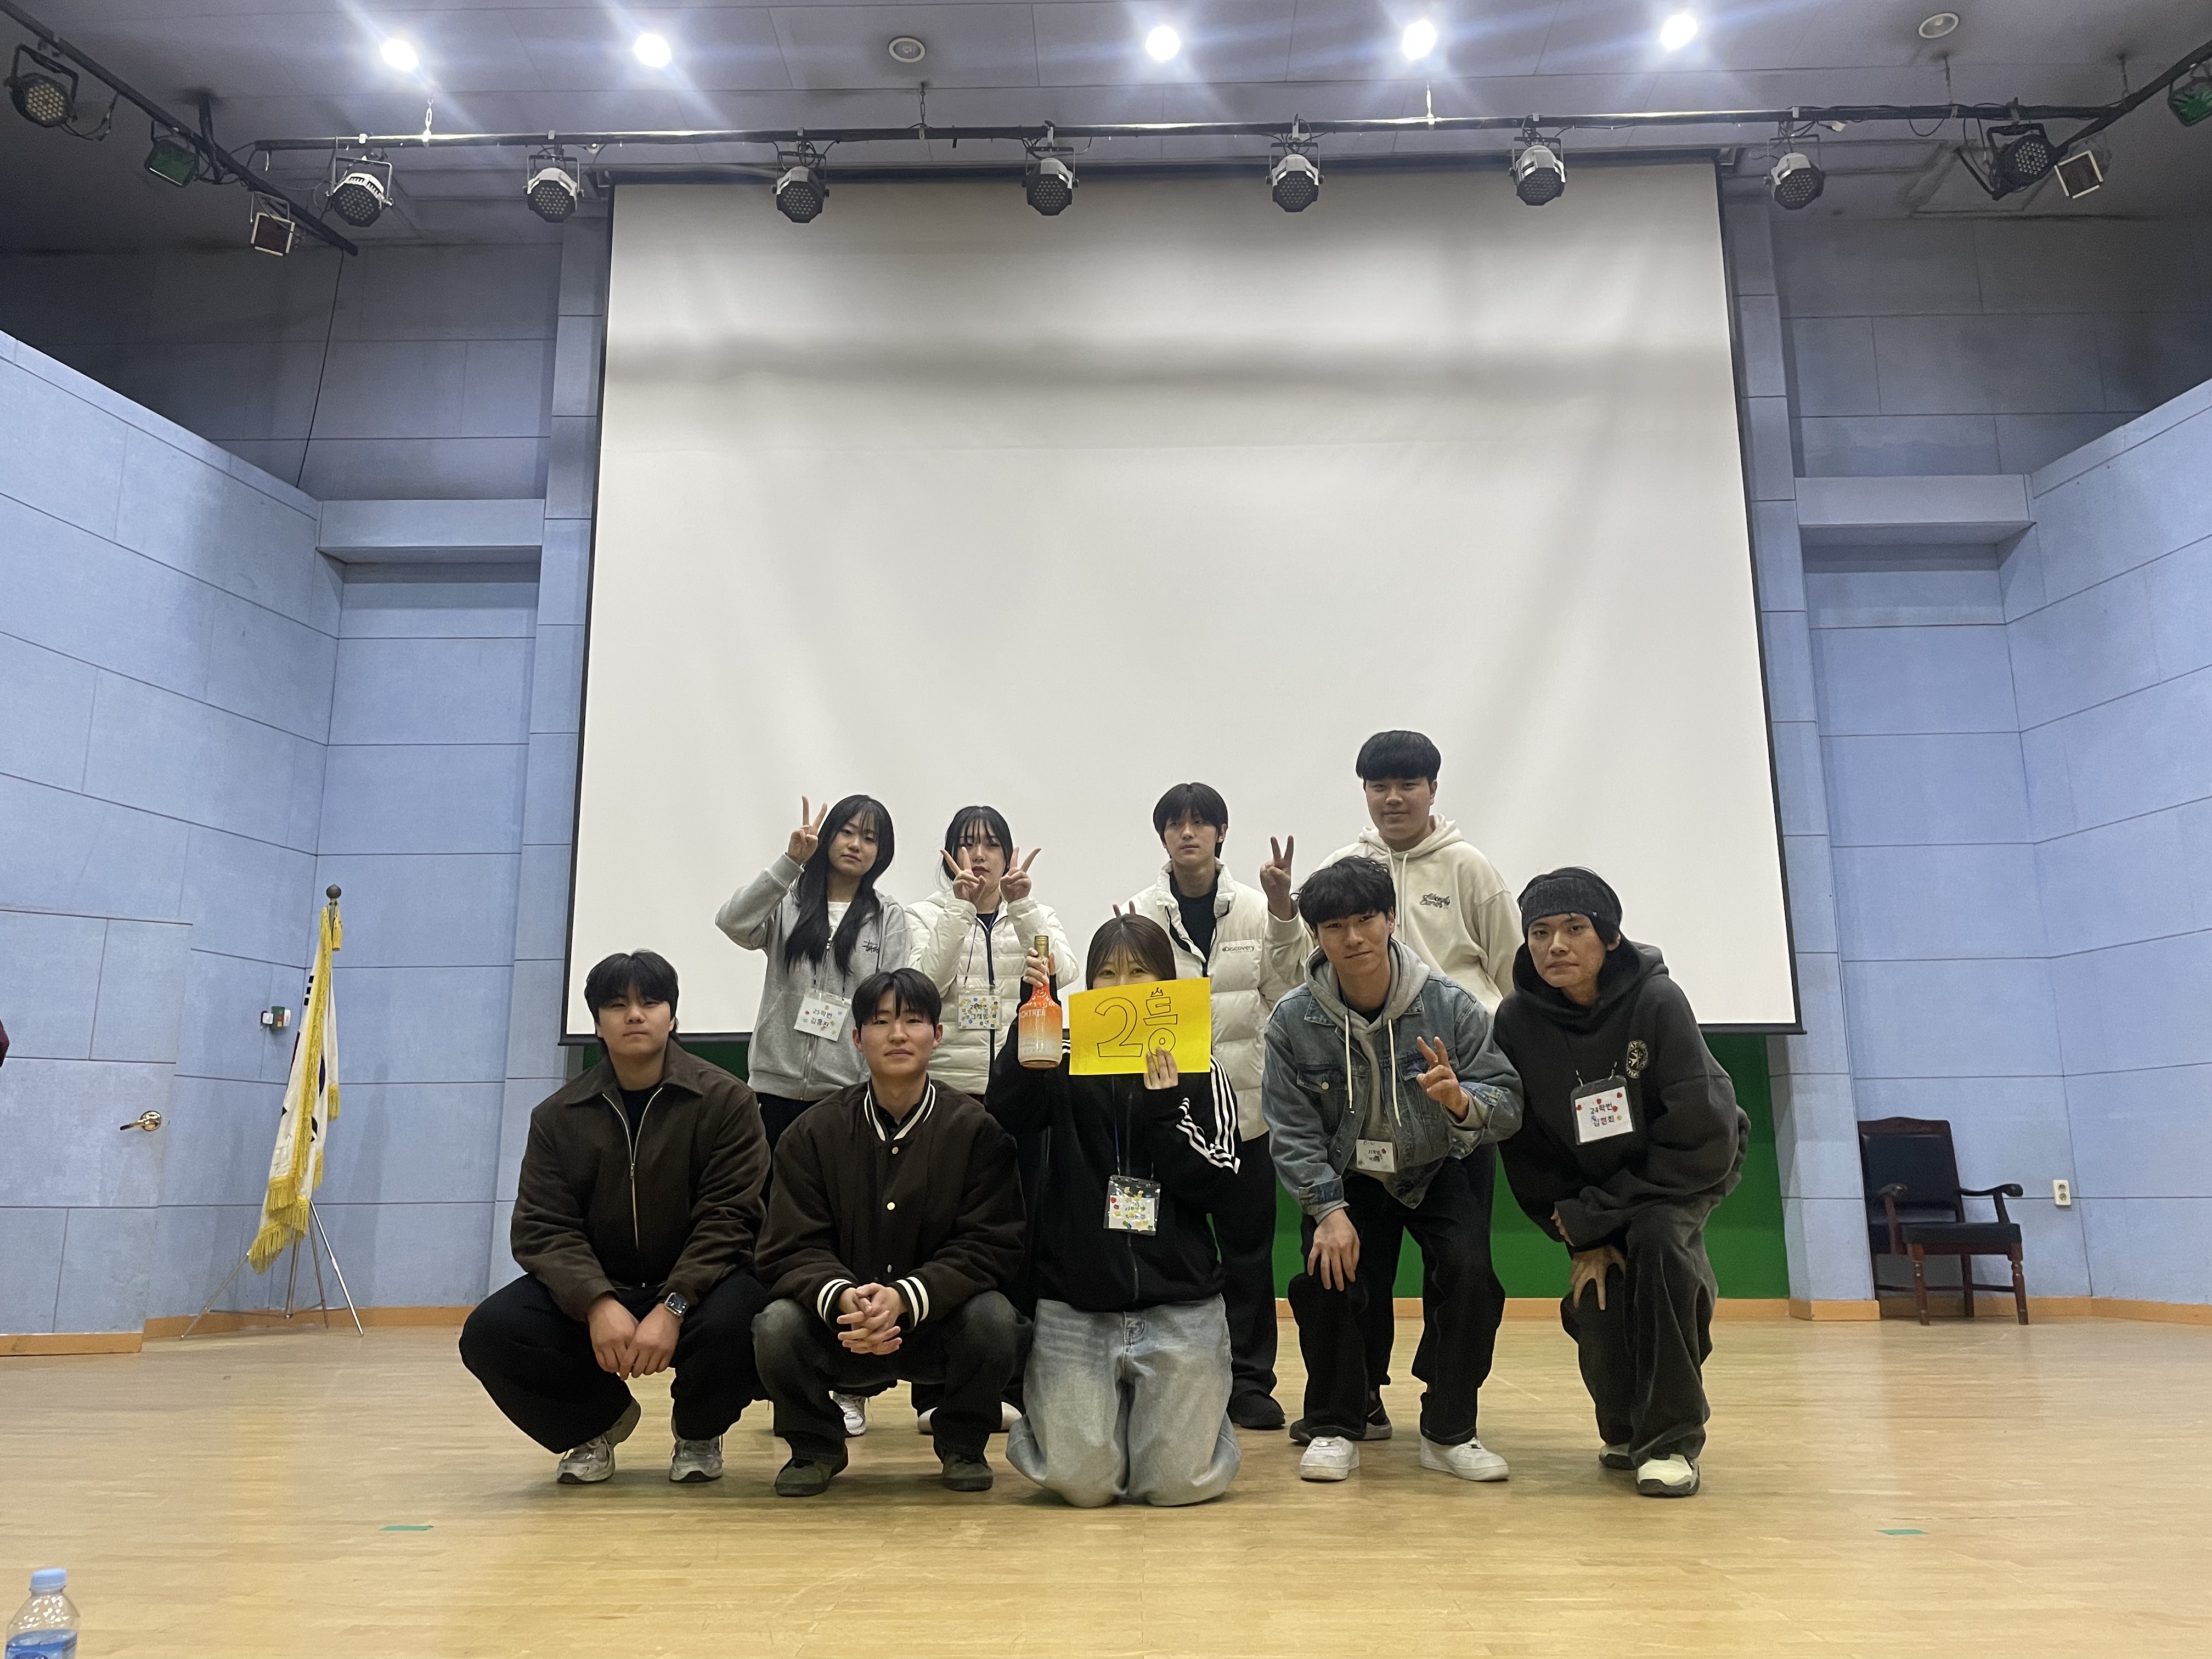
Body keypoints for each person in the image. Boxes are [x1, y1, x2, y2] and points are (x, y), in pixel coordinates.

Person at [460, 951, 771, 1485]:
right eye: (617, 1005)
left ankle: (699, 1430)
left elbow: (731, 1217)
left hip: (700, 1287)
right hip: (603, 1286)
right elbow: (544, 1227)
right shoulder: (558, 1117)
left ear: (672, 1016)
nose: (635, 1015)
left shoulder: (727, 1100)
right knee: (492, 1332)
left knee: (748, 1315)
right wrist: (597, 1302)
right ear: (597, 1024)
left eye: (650, 1002)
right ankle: (595, 1424)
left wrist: (673, 1305)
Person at [1491, 868, 1749, 1499]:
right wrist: (1583, 1234)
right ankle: (1626, 1425)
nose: (1555, 945)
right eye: (1540, 932)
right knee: (1600, 1289)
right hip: (1594, 1192)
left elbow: (1702, 1132)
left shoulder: (1658, 1002)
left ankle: (1671, 1442)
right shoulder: (1516, 1021)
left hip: (1682, 1171)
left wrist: (1606, 1210)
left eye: (1574, 929)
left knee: (1660, 1250)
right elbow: (1527, 1148)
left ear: (1608, 937)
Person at [1263, 857, 1523, 1485]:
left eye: (1365, 920)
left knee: (1471, 1276)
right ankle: (1336, 1423)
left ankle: (1450, 1430)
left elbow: (1508, 1103)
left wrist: (1461, 1102)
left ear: (1390, 919)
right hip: (1347, 1174)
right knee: (1327, 1273)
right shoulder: (1293, 1020)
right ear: (1316, 936)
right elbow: (1292, 1130)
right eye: (1334, 926)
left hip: (1438, 1163)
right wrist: (1328, 1211)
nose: (1353, 938)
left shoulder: (1451, 1006)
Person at [987, 914, 1246, 1506]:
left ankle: (1195, 1422)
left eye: (1139, 972)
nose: (1122, 986)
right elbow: (1008, 1114)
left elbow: (1221, 1188)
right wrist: (1031, 1021)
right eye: (1107, 973)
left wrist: (1166, 1112)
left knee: (1174, 1486)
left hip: (1179, 1301)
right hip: (1078, 1302)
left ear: (1166, 982)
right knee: (1083, 1485)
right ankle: (1089, 1425)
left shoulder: (1200, 1064)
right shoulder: (1062, 1054)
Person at [1314, 729, 1522, 1435]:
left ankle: (1446, 1399)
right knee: (1361, 1265)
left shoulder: (1469, 868)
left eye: (1408, 785)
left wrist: (1484, 1081)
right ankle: (1363, 1396)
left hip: (1453, 1102)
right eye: (1379, 786)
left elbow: (1513, 977)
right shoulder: (1344, 868)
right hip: (1364, 1105)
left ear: (1433, 789)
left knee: (1461, 1267)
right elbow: (1310, 976)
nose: (1393, 798)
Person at [751, 968, 1027, 1497]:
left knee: (995, 1319)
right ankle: (813, 1448)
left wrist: (905, 1297)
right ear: (857, 1039)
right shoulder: (813, 1132)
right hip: (844, 1325)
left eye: (913, 1020)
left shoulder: (976, 1130)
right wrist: (844, 1298)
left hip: (937, 1323)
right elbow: (789, 1244)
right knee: (776, 1325)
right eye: (880, 1022)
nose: (897, 1034)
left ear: (937, 1035)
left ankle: (963, 1444)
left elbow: (991, 1244)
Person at [715, 793, 909, 1439]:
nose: (856, 845)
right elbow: (732, 923)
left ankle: (852, 1385)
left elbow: (893, 1000)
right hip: (773, 1094)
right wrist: (787, 863)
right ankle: (783, 1374)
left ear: (882, 852)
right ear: (826, 838)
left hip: (845, 1100)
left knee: (849, 1241)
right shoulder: (791, 899)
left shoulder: (888, 918)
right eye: (847, 832)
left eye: (870, 838)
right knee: (774, 1238)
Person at [1123, 782, 1304, 1430]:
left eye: (1201, 822)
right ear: (1163, 836)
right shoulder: (1138, 912)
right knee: (1165, 1247)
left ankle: (1250, 1382)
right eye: (1176, 823)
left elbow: (1291, 990)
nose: (1188, 833)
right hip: (1166, 1115)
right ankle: (1172, 1377)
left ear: (1221, 833)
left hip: (1247, 1116)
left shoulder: (1258, 910)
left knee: (1249, 1254)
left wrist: (1285, 913)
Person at [907, 805, 1076, 1096]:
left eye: (992, 844)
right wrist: (960, 908)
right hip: (948, 1089)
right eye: (967, 844)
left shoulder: (1036, 913)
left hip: (1018, 1084)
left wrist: (1021, 907)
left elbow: (1062, 973)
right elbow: (924, 992)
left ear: (1007, 856)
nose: (979, 855)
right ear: (950, 855)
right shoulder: (924, 915)